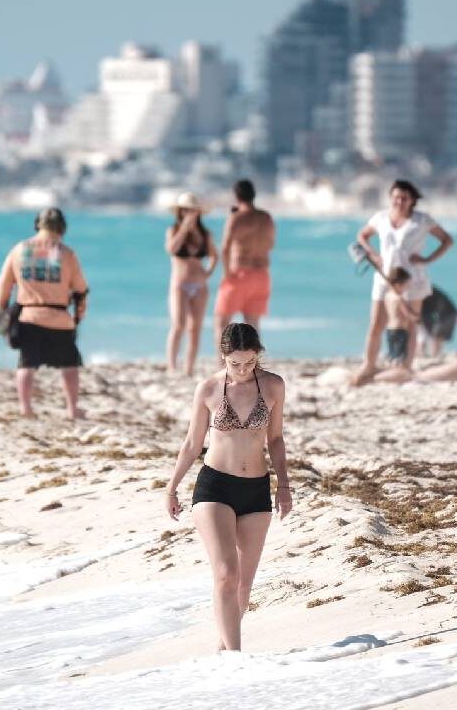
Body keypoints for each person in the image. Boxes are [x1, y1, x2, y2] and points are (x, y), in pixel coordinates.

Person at [166, 323, 291, 651]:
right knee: (225, 574)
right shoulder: (208, 389)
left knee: (243, 591)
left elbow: (276, 440)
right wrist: (171, 488)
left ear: (257, 355)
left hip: (256, 490)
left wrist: (284, 486)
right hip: (215, 487)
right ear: (223, 357)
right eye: (235, 363)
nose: (242, 369)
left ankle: (221, 657)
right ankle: (236, 659)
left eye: (249, 362)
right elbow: (193, 442)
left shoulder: (274, 386)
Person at [0, 207, 89, 420]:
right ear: (62, 228)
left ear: (38, 224)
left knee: (26, 363)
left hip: (29, 315)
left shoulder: (19, 250)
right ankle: (72, 409)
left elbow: (4, 286)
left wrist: (1, 309)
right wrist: (79, 315)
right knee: (70, 365)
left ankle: (25, 408)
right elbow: (81, 289)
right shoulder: (66, 254)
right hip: (60, 319)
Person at [355, 180, 453, 381]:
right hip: (385, 276)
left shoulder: (422, 220)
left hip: (413, 278)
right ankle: (369, 364)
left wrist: (428, 259)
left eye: (404, 198)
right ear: (391, 198)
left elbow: (446, 240)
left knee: (410, 323)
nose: (399, 202)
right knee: (376, 322)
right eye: (396, 197)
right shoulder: (381, 218)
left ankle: (406, 365)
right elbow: (362, 235)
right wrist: (373, 254)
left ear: (412, 200)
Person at [214, 180, 275, 357]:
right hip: (262, 274)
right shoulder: (266, 217)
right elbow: (270, 243)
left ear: (236, 196)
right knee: (253, 325)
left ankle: (222, 366)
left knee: (222, 323)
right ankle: (253, 365)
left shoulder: (236, 218)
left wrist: (226, 273)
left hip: (240, 272)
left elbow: (225, 248)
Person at [165, 192, 218, 375]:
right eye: (185, 210)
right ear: (180, 211)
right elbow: (171, 249)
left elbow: (214, 255)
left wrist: (208, 273)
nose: (189, 213)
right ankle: (172, 366)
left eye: (192, 210)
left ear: (198, 212)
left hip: (200, 286)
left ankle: (189, 368)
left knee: (195, 329)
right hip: (179, 284)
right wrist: (184, 229)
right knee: (178, 325)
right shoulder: (173, 231)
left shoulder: (205, 234)